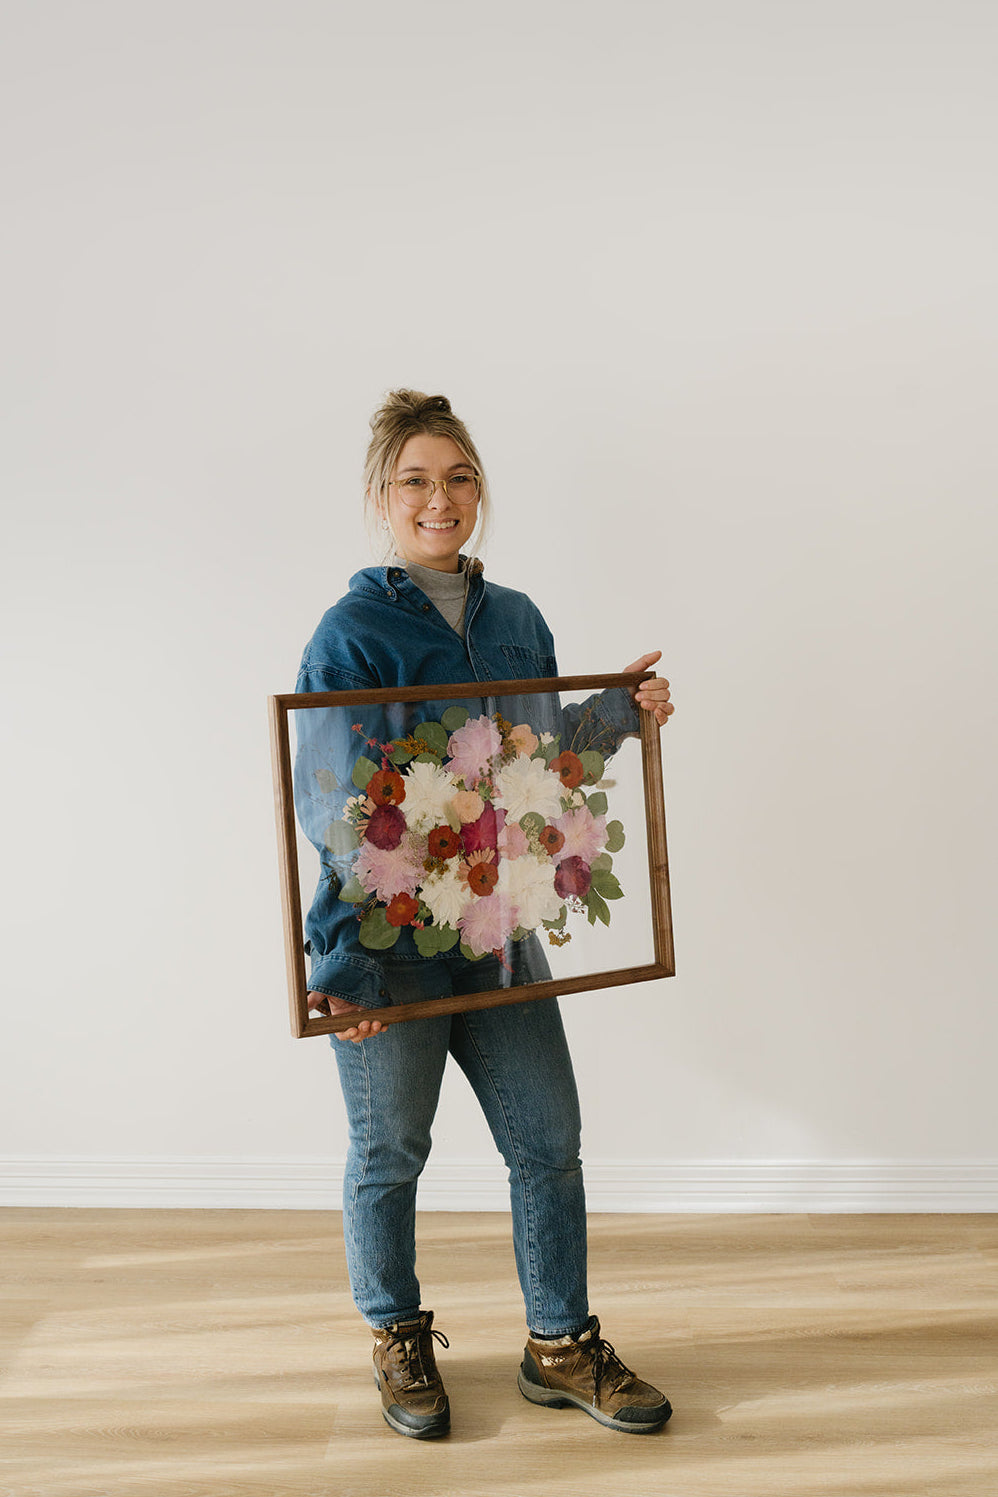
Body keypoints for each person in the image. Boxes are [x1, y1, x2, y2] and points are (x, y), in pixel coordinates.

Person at [294, 390, 675, 1440]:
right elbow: (333, 813)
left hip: (497, 932)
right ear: (382, 496)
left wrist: (618, 715)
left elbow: (537, 770)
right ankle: (397, 1336)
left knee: (548, 1137)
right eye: (415, 480)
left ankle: (559, 1345)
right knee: (390, 1152)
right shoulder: (350, 635)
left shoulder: (517, 621)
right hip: (388, 948)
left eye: (458, 477)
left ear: (479, 491)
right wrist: (342, 967)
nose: (440, 498)